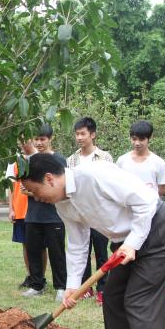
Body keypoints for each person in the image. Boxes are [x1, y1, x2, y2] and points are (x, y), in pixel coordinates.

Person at [19, 153, 165, 329]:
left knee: (139, 302)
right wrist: (73, 286)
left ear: (49, 179)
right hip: (124, 242)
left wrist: (134, 243)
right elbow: (77, 242)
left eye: (34, 190)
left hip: (155, 227)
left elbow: (145, 201)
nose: (35, 197)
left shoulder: (94, 175)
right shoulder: (62, 203)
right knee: (113, 297)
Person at [66, 117, 114, 305]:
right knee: (81, 250)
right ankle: (85, 288)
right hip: (79, 211)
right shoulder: (72, 160)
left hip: (100, 212)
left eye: (83, 134)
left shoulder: (105, 157)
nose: (79, 137)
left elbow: (110, 183)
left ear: (92, 135)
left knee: (101, 251)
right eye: (77, 134)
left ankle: (103, 288)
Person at [20, 124, 67, 301]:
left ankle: (61, 287)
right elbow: (24, 187)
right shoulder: (29, 161)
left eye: (43, 139)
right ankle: (36, 284)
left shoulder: (59, 160)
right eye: (36, 139)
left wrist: (37, 191)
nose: (39, 143)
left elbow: (60, 186)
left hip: (54, 215)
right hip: (33, 214)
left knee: (57, 252)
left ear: (50, 139)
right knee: (33, 250)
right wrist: (35, 191)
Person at [6, 136, 37, 288]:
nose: (22, 144)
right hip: (19, 208)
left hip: (36, 208)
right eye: (20, 141)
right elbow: (10, 185)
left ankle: (40, 277)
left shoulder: (39, 158)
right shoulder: (15, 160)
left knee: (39, 246)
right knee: (25, 244)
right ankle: (31, 275)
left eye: (25, 140)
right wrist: (11, 208)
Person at [116, 120, 165, 196]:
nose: (137, 143)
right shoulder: (122, 160)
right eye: (134, 139)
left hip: (150, 206)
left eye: (141, 139)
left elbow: (163, 190)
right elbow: (116, 185)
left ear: (150, 138)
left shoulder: (158, 162)